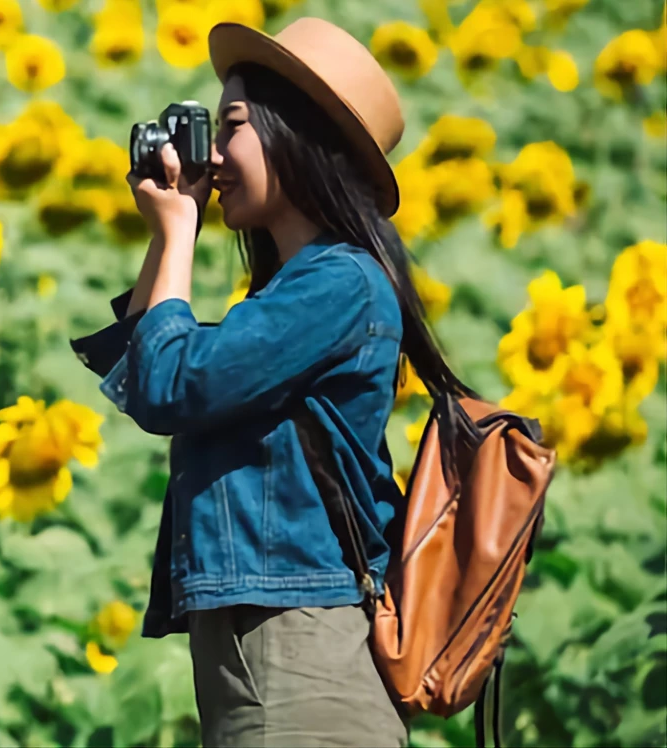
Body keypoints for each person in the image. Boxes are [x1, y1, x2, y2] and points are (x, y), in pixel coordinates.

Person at [69, 17, 477, 748]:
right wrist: (171, 233)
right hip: (271, 654)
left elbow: (171, 384)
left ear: (298, 134)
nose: (215, 157)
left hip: (299, 659)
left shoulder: (338, 285)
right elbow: (148, 367)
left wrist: (180, 235)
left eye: (232, 128)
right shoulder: (294, 292)